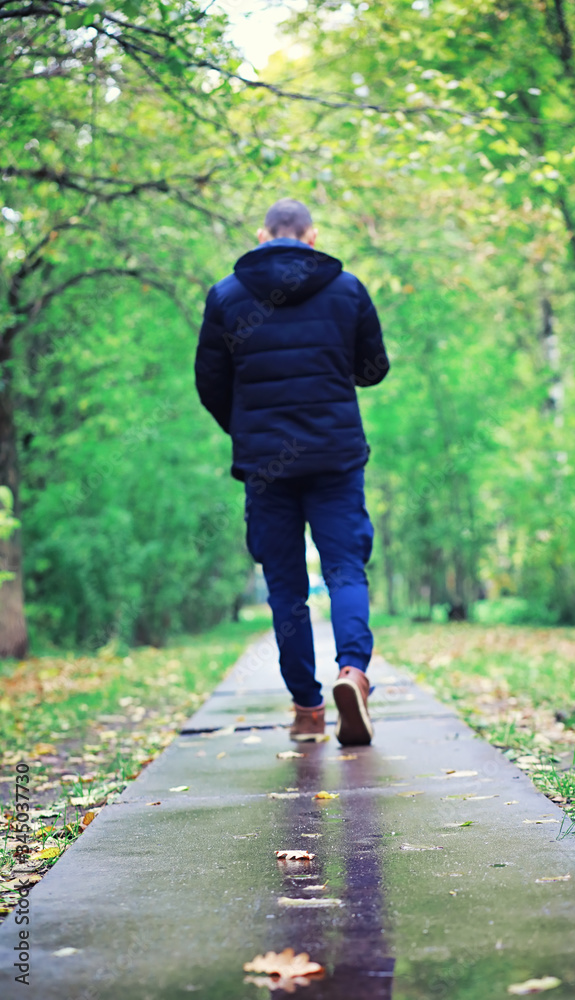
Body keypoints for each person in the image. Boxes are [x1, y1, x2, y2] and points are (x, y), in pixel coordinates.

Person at [194, 198, 389, 745]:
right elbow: (374, 368)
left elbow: (210, 382)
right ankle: (353, 673)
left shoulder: (226, 296)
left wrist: (246, 428)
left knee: (285, 587)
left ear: (263, 235)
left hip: (266, 465)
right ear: (312, 236)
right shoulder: (347, 289)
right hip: (335, 457)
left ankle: (307, 709)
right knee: (345, 569)